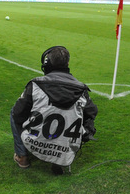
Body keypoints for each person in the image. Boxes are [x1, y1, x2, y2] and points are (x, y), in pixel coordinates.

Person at [10, 46, 98, 175]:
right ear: (67, 64)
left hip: (35, 143)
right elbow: (92, 113)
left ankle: (22, 157)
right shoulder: (81, 90)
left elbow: (18, 114)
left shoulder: (35, 85)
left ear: (47, 64)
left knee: (15, 112)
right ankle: (59, 161)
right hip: (66, 148)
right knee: (79, 115)